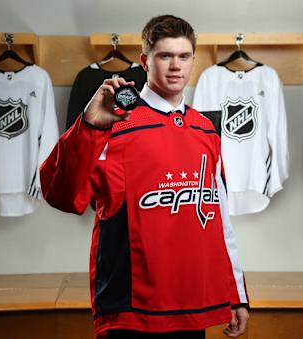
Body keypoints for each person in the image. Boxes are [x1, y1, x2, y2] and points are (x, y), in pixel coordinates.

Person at [40, 15, 249, 339]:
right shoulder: (114, 123)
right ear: (145, 61)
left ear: (193, 59)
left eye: (183, 56)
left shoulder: (205, 130)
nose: (175, 65)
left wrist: (236, 294)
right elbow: (62, 194)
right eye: (165, 56)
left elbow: (220, 217)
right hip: (130, 312)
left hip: (192, 307)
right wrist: (91, 124)